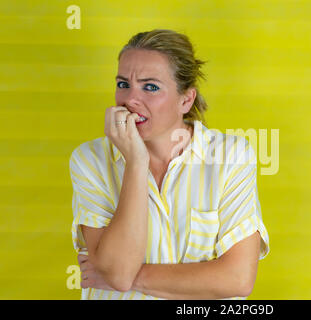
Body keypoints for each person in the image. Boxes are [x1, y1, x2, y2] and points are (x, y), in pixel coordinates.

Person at [69, 29, 270, 300]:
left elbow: (237, 279)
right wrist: (136, 163)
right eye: (122, 84)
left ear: (186, 100)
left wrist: (131, 277)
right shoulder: (89, 160)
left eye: (150, 87)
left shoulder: (230, 155)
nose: (130, 100)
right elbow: (116, 273)